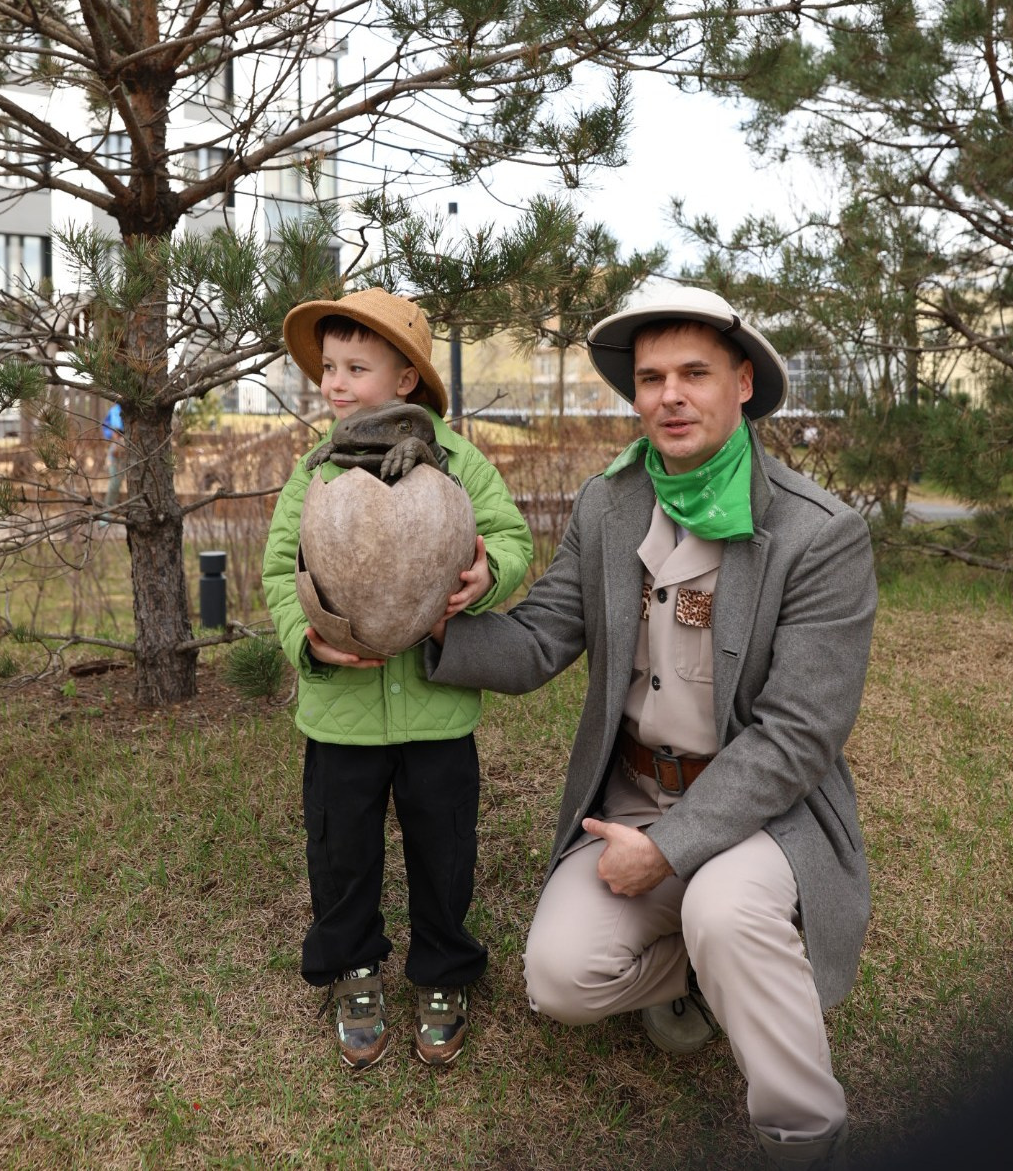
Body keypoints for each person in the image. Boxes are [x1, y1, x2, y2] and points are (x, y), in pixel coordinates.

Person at [427, 283, 876, 1168]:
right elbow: (539, 639)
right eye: (651, 377)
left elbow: (796, 737)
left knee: (722, 905)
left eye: (695, 374)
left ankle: (805, 1134)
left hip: (761, 816)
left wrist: (671, 851)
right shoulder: (609, 506)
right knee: (560, 978)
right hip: (630, 798)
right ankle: (720, 979)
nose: (669, 395)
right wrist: (432, 623)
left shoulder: (819, 534)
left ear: (743, 383)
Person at [263, 288, 532, 1072]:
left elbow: (509, 535)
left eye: (356, 367)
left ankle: (443, 972)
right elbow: (283, 571)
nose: (335, 383)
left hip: (438, 713)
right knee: (341, 853)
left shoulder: (455, 461)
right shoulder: (314, 472)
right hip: (339, 717)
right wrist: (307, 638)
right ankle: (354, 970)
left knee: (444, 851)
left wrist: (489, 574)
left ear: (408, 379)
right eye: (328, 368)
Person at [100, 401, 124, 512]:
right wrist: (112, 434)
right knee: (115, 480)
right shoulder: (114, 410)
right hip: (116, 446)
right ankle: (107, 510)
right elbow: (105, 426)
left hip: (132, 447)